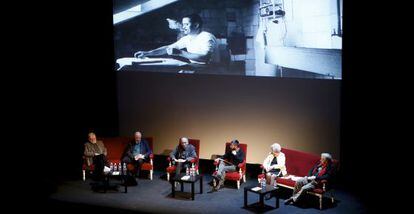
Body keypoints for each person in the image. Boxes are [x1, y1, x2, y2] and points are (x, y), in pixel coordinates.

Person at [134, 13, 217, 64]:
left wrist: (180, 53)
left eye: (186, 24)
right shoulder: (187, 38)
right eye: (183, 24)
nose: (183, 27)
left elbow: (205, 58)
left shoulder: (206, 37)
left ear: (196, 25)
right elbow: (167, 48)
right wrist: (148, 53)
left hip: (211, 70)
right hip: (196, 67)